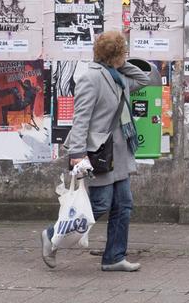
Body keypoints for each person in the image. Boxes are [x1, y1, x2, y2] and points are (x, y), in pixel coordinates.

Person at [41, 31, 152, 272]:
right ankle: (51, 235)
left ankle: (114, 257)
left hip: (119, 152)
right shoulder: (91, 78)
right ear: (115, 55)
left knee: (123, 205)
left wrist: (121, 64)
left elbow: (144, 79)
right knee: (99, 205)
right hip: (99, 153)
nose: (126, 56)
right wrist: (77, 155)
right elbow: (81, 120)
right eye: (123, 52)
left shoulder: (118, 77)